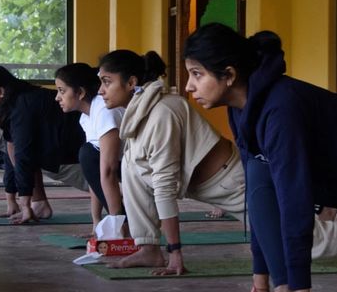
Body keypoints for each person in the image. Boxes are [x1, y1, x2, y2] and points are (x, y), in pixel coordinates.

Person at [184, 22, 337, 292]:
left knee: (278, 190)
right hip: (332, 179)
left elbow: (294, 202)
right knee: (258, 174)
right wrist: (261, 287)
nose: (190, 86)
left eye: (197, 74)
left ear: (229, 75)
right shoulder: (241, 107)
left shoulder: (281, 108)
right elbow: (257, 196)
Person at [97, 49, 246, 274]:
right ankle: (148, 249)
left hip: (234, 184)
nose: (101, 91)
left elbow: (164, 186)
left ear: (131, 83)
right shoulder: (141, 114)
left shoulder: (162, 112)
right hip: (203, 187)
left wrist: (175, 252)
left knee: (309, 242)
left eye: (107, 82)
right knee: (131, 163)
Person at [0, 65, 87, 224]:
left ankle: (37, 205)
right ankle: (39, 204)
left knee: (104, 186)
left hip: (76, 145)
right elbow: (10, 152)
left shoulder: (22, 105)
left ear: (1, 92)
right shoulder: (11, 106)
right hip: (59, 143)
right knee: (21, 153)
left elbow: (22, 155)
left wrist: (25, 205)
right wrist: (11, 202)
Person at [55, 63, 125, 233]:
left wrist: (119, 227)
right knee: (88, 154)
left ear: (80, 92)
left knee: (87, 154)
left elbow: (108, 169)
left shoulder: (103, 110)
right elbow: (95, 174)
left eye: (62, 91)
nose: (57, 97)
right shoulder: (86, 118)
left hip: (143, 169)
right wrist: (96, 221)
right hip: (125, 168)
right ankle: (121, 221)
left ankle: (125, 224)